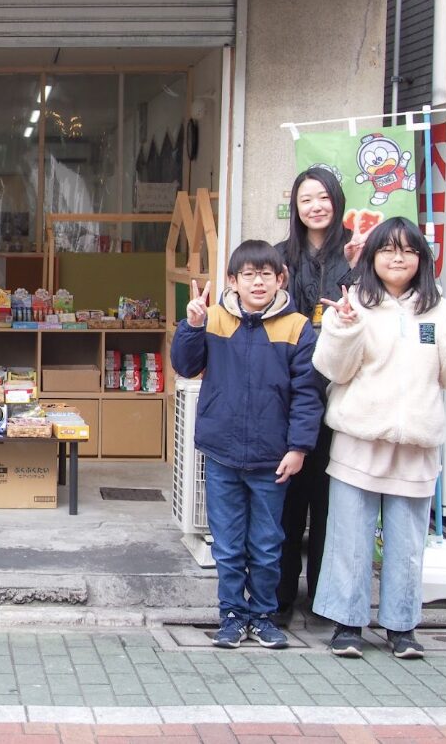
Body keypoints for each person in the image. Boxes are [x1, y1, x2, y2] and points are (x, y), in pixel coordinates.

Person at [312, 217, 446, 660]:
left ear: (422, 259)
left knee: (407, 544)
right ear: (372, 256)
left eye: (408, 250)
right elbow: (334, 369)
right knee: (349, 537)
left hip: (417, 444)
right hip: (359, 439)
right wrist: (343, 326)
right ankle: (347, 624)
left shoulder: (439, 310)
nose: (397, 257)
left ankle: (402, 626)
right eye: (387, 248)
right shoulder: (355, 304)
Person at [171, 240, 323, 650]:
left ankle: (263, 615)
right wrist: (192, 325)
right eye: (249, 275)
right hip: (222, 452)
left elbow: (307, 394)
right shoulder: (215, 318)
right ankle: (231, 615)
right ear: (233, 281)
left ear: (280, 279)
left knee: (268, 543)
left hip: (272, 457)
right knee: (228, 541)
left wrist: (299, 448)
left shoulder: (296, 327)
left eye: (266, 274)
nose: (258, 282)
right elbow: (185, 366)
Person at [273, 167, 364, 624]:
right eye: (306, 199)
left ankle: (326, 598)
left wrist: (357, 273)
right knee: (289, 501)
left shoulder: (359, 252)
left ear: (337, 201)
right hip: (292, 392)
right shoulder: (279, 256)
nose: (315, 207)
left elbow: (378, 308)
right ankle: (282, 597)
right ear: (295, 206)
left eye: (323, 197)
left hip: (344, 393)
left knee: (331, 503)